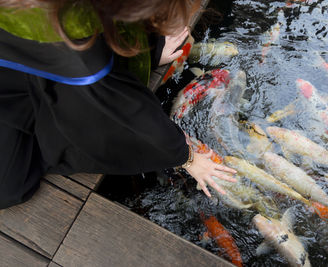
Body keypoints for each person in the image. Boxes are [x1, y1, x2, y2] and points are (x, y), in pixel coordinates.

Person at [0, 0, 237, 209]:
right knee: (9, 189)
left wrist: (150, 50)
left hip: (23, 58)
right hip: (14, 81)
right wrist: (186, 156)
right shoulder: (80, 52)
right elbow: (129, 109)